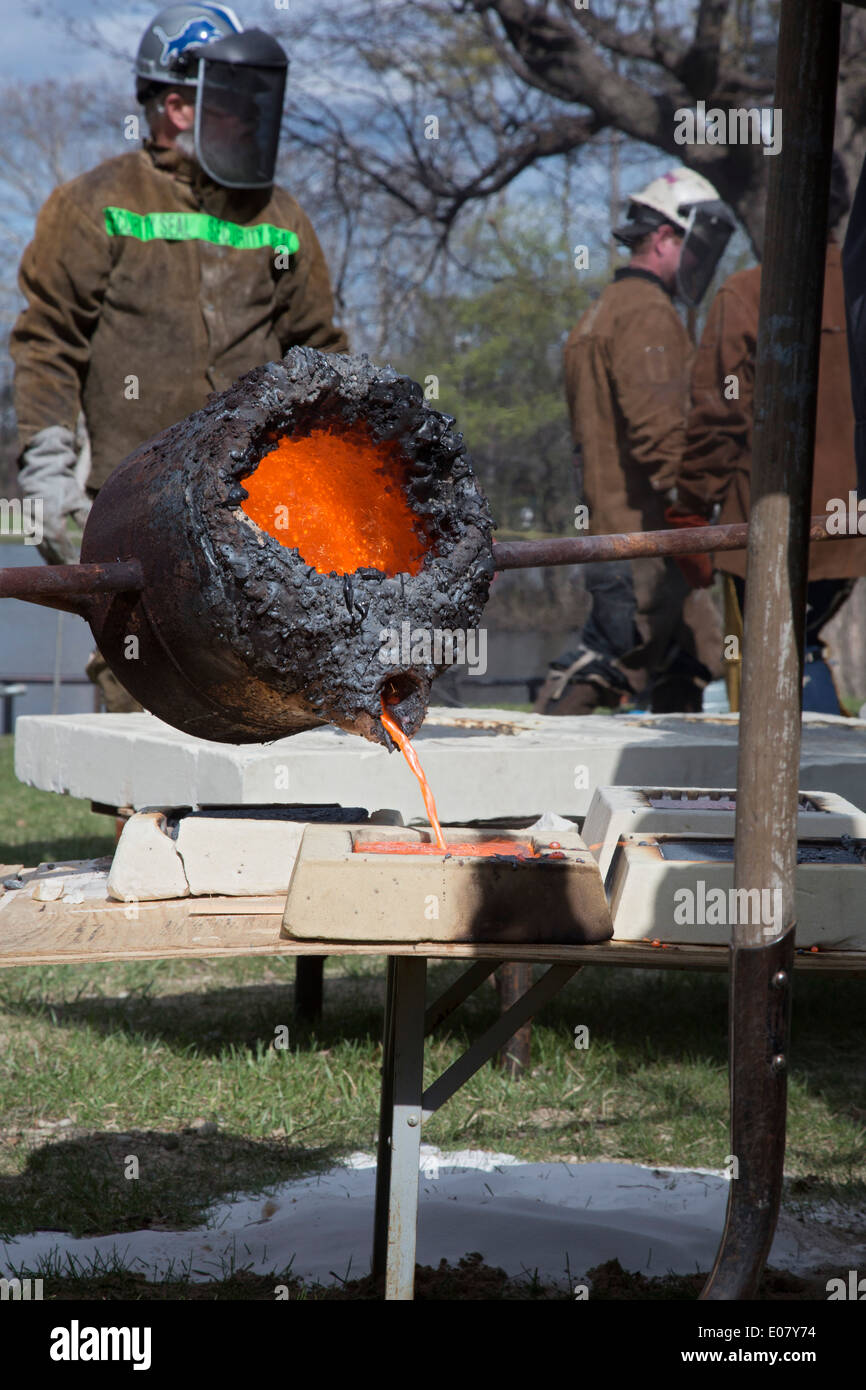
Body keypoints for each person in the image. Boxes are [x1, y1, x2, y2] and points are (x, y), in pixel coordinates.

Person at [11, 3, 349, 711]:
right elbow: (48, 342)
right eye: (234, 102)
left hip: (259, 502)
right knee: (143, 678)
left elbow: (320, 349)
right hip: (131, 505)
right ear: (175, 106)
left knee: (272, 682)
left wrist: (346, 466)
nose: (252, 120)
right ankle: (145, 821)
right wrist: (46, 470)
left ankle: (259, 823)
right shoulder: (96, 204)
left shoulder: (277, 215)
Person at [534, 169, 733, 716]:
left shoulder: (603, 309)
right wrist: (695, 517)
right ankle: (519, 783)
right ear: (667, 237)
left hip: (626, 535)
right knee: (610, 658)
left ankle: (688, 796)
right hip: (644, 540)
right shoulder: (647, 314)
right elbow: (662, 439)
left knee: (690, 658)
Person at [676, 154, 866, 714]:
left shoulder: (748, 294)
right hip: (851, 533)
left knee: (768, 666)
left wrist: (690, 510)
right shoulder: (856, 290)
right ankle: (841, 787)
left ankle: (794, 791)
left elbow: (719, 416)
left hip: (766, 529)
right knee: (802, 649)